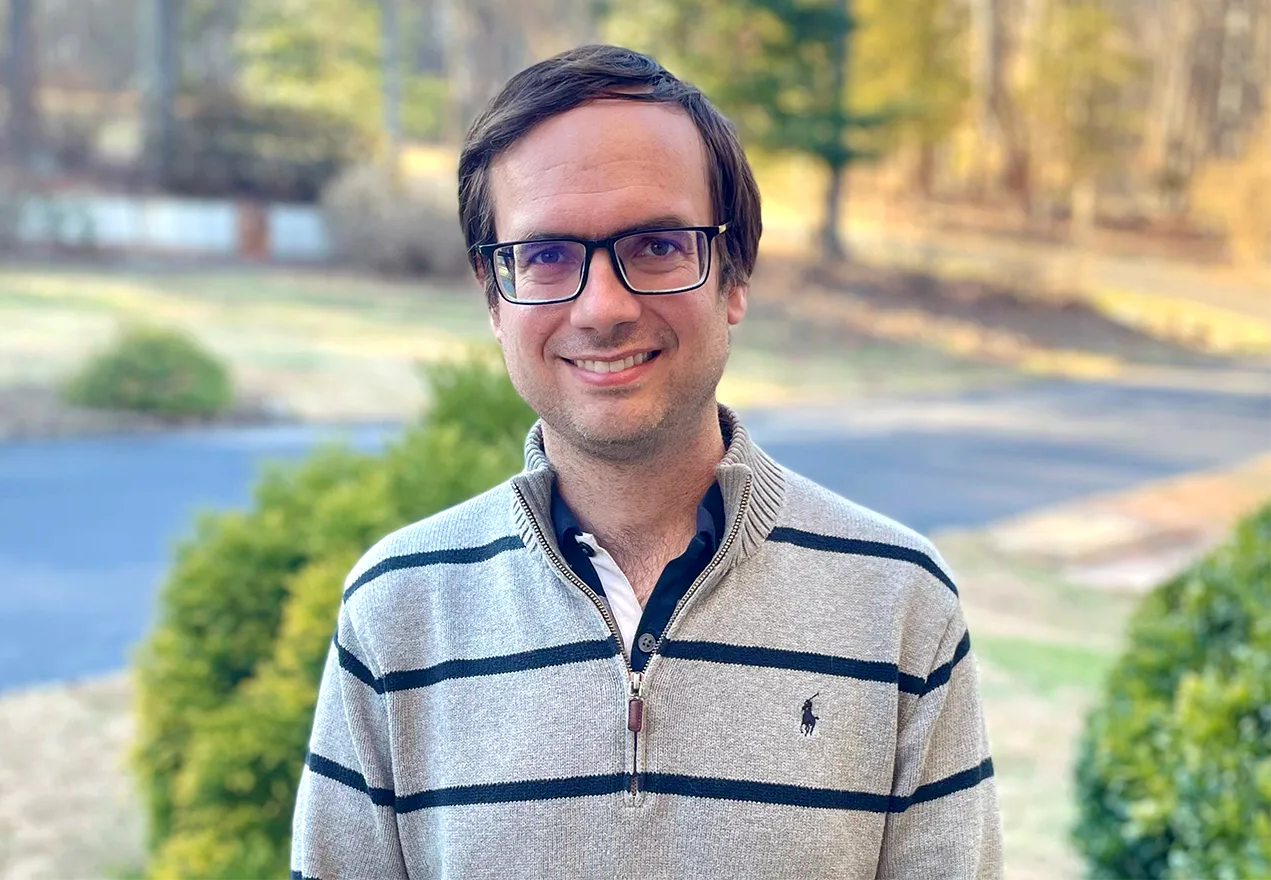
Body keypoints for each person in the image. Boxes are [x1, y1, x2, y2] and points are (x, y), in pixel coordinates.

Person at [291, 44, 1003, 879]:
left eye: (658, 244)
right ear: (493, 298)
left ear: (731, 276)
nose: (602, 308)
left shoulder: (897, 602)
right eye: (547, 255)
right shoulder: (398, 610)